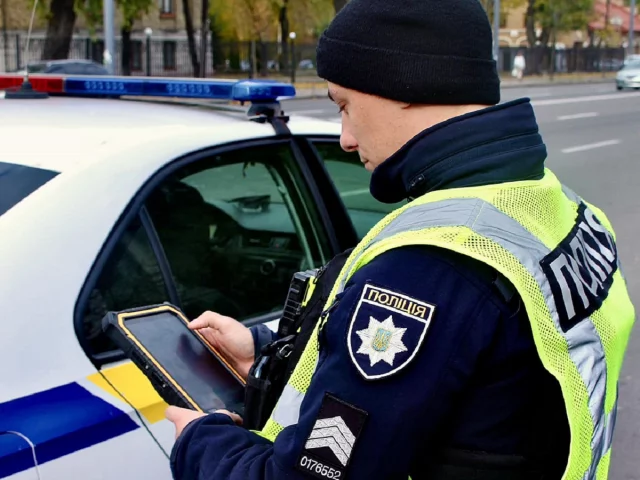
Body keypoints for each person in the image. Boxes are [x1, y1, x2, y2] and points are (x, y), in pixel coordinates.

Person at [165, 0, 636, 478]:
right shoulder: (553, 206)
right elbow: (464, 377)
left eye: (344, 106)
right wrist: (265, 352)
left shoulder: (426, 268)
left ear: (402, 81)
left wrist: (199, 443)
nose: (345, 138)